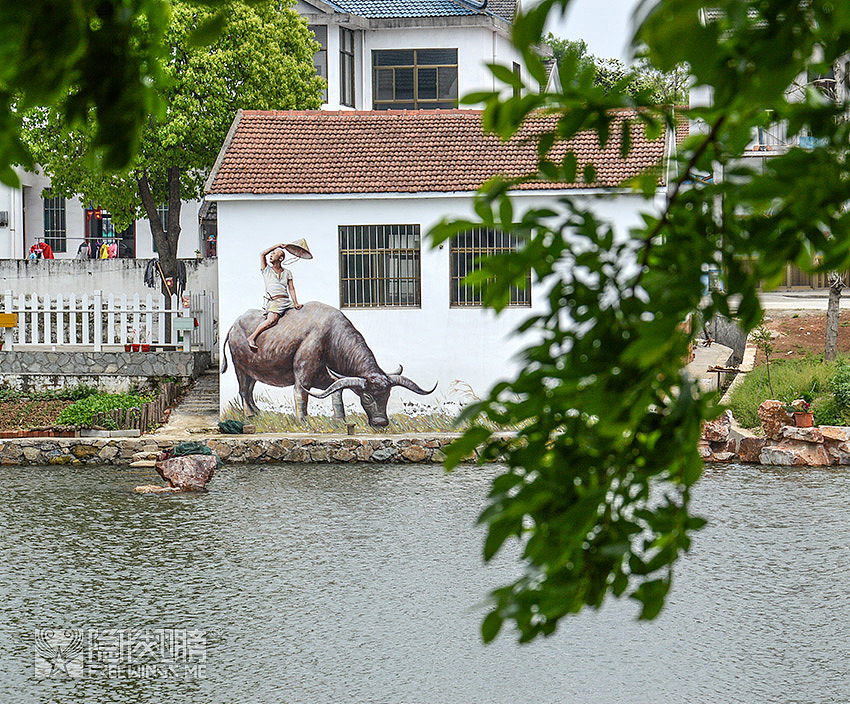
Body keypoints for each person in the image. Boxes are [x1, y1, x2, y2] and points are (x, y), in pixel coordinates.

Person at [247, 243, 304, 352]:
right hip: (274, 302)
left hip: (286, 301)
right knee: (271, 320)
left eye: (274, 254)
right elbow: (262, 254)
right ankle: (252, 337)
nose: (271, 255)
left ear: (281, 258)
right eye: (271, 253)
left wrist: (295, 303)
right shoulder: (266, 270)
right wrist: (277, 246)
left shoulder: (287, 273)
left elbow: (291, 288)